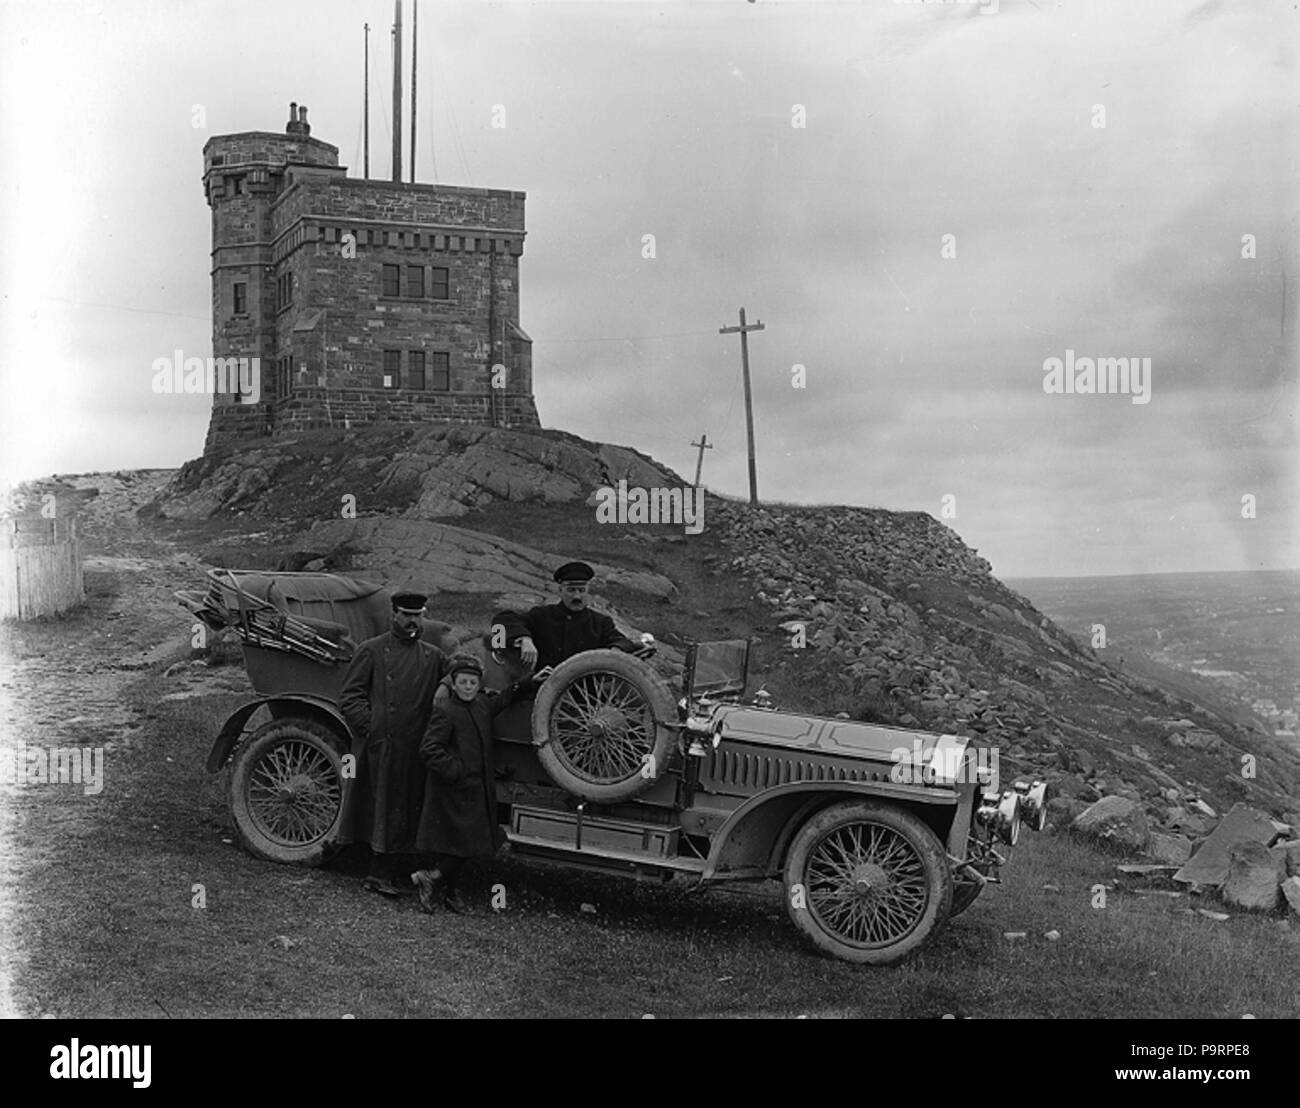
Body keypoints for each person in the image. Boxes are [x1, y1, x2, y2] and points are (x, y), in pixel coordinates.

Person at [337, 590, 448, 897]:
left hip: (416, 747)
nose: (413, 620)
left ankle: (400, 871)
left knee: (409, 809)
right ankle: (377, 874)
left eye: (418, 614)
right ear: (394, 615)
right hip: (382, 746)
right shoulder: (371, 650)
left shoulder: (432, 656)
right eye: (406, 614)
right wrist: (372, 728)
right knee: (382, 808)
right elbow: (350, 696)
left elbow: (458, 678)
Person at [413, 654, 532, 913]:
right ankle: (433, 879)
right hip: (453, 789)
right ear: (453, 685)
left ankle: (445, 890)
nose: (468, 687)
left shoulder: (481, 705)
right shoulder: (445, 711)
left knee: (465, 844)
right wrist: (455, 771)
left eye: (472, 683)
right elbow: (429, 749)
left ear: (478, 685)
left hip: (476, 789)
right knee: (462, 843)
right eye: (463, 682)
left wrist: (529, 681)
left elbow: (503, 699)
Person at [496, 561, 651, 674]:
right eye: (571, 590)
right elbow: (500, 622)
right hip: (540, 694)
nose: (577, 596)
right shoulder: (541, 616)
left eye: (581, 590)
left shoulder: (601, 623)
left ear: (588, 590)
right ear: (560, 590)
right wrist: (524, 639)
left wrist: (616, 650)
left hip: (585, 702)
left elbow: (621, 640)